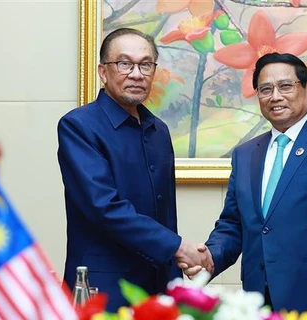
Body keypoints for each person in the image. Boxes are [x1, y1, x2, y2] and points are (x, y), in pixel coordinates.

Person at [183, 52, 307, 319]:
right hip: (260, 301)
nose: (275, 96)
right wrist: (209, 259)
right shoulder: (245, 154)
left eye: (285, 86)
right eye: (265, 89)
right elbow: (233, 225)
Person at [57, 28, 212, 311]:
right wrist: (177, 247)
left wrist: (175, 272)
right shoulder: (79, 126)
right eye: (125, 63)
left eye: (145, 64)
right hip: (103, 288)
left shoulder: (158, 131)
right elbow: (103, 206)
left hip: (158, 284)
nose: (137, 74)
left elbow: (167, 214)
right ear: (103, 72)